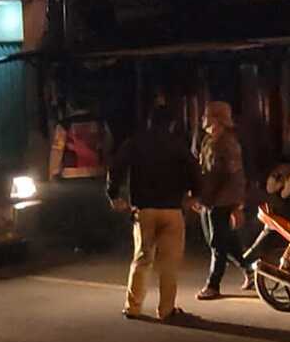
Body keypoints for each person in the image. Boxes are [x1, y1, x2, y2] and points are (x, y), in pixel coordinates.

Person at [107, 106, 202, 323]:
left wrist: (113, 194)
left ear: (149, 122)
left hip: (144, 209)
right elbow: (194, 169)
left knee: (142, 258)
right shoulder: (178, 145)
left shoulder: (135, 143)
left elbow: (116, 167)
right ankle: (166, 310)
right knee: (169, 263)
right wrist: (195, 195)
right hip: (172, 210)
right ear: (171, 124)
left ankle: (133, 307)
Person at [196, 101, 254, 300]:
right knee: (225, 241)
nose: (203, 119)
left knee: (217, 244)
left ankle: (213, 285)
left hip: (221, 200)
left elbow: (227, 175)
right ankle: (250, 269)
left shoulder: (227, 143)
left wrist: (237, 204)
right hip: (212, 198)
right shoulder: (209, 140)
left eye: (207, 115)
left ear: (217, 119)